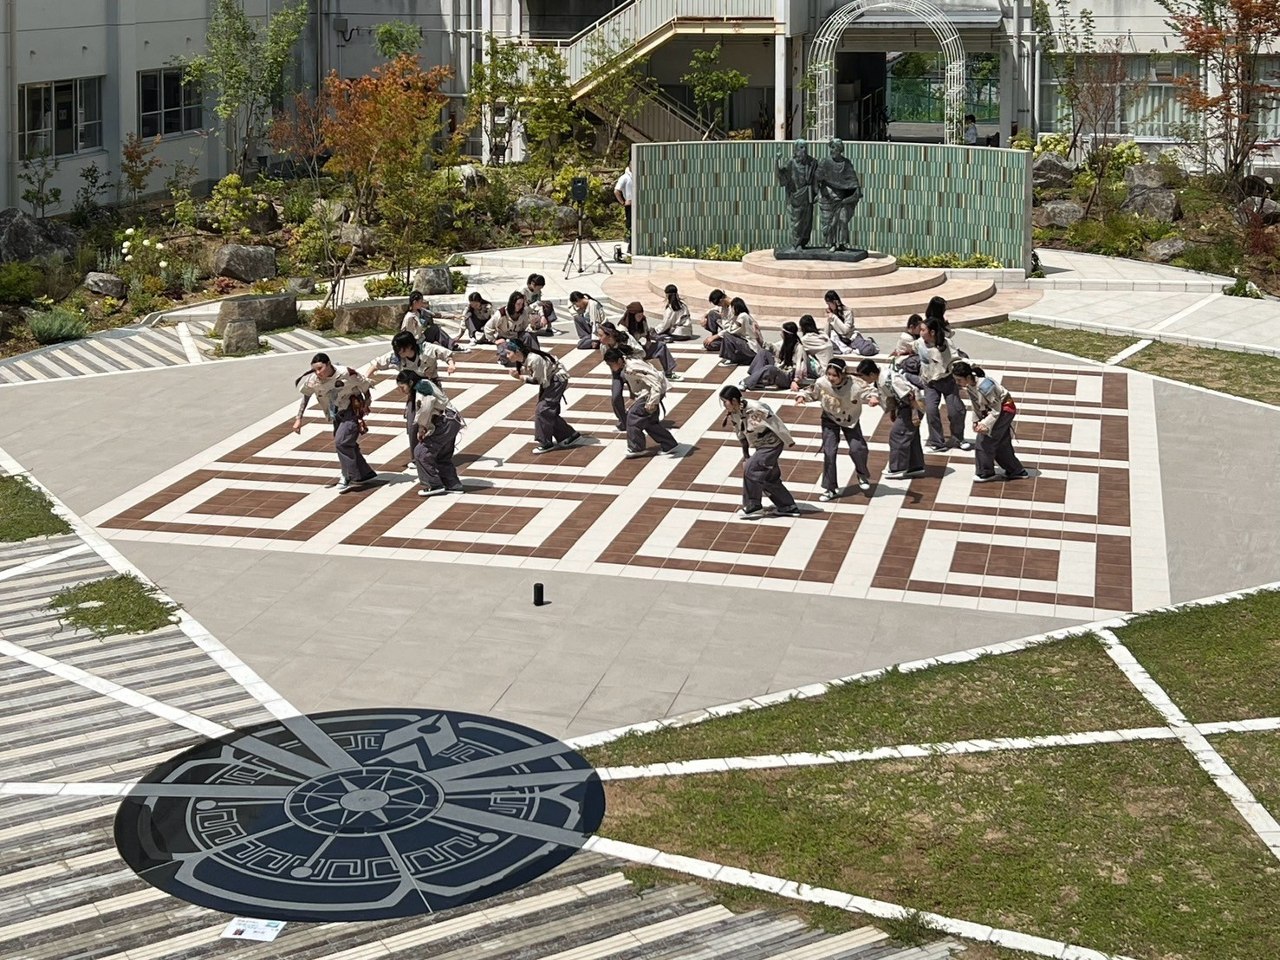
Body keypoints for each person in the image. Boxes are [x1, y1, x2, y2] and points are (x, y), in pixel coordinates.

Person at [293, 353, 378, 494]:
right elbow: (306, 396)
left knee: (341, 442)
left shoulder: (346, 373)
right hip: (335, 415)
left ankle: (348, 476)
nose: (317, 372)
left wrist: (366, 403)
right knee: (348, 445)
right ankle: (363, 474)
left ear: (328, 364)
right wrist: (299, 418)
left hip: (351, 411)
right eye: (315, 370)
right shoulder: (314, 380)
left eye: (320, 368)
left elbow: (364, 385)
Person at [794, 357, 871, 500]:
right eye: (829, 374)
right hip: (829, 418)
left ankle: (862, 474)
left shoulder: (855, 383)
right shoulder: (822, 382)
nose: (831, 378)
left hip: (850, 419)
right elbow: (810, 391)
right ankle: (830, 488)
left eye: (834, 375)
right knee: (829, 452)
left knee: (858, 448)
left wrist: (873, 398)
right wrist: (801, 397)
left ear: (843, 374)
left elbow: (869, 390)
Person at [720, 384, 799, 520]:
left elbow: (775, 422)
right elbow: (741, 434)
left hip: (771, 444)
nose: (724, 405)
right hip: (759, 445)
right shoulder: (734, 413)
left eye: (725, 402)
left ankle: (753, 505)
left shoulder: (756, 408)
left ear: (734, 400)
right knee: (768, 477)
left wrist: (789, 440)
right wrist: (746, 456)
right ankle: (788, 506)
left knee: (751, 469)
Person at [952, 361, 1029, 482]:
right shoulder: (970, 386)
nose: (957, 383)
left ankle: (985, 472)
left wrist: (985, 424)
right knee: (1001, 443)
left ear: (968, 377)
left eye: (959, 380)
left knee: (984, 441)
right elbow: (976, 405)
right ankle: (1016, 470)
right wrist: (976, 420)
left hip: (1004, 411)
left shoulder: (985, 387)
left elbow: (996, 410)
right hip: (995, 412)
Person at [505, 339, 582, 454]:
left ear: (517, 352)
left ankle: (546, 443)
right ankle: (569, 435)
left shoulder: (534, 359)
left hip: (556, 381)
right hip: (550, 381)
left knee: (542, 410)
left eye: (508, 353)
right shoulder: (526, 359)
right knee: (547, 411)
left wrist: (520, 378)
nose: (507, 356)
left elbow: (538, 380)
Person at [853, 358, 926, 479]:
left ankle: (898, 467)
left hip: (913, 406)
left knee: (898, 435)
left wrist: (914, 415)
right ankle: (915, 466)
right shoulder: (881, 378)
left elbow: (910, 395)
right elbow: (892, 396)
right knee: (911, 437)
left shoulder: (889, 379)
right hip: (904, 407)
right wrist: (893, 411)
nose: (863, 379)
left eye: (863, 376)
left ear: (871, 374)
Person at [396, 369, 464, 497]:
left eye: (402, 387)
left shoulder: (422, 388)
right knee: (442, 455)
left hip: (444, 423)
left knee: (421, 452)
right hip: (451, 421)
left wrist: (421, 427)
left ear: (410, 383)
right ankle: (452, 484)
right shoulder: (425, 383)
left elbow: (425, 408)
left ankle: (433, 484)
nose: (402, 390)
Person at [605, 348, 681, 458]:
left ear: (619, 360)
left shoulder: (632, 367)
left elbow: (655, 382)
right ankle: (669, 444)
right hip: (649, 392)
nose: (611, 367)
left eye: (611, 364)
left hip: (650, 393)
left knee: (633, 417)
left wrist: (652, 402)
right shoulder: (628, 364)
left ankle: (636, 447)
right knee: (649, 421)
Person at [913, 315, 971, 452]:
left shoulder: (947, 344)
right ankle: (937, 442)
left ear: (932, 332)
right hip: (930, 383)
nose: (920, 332)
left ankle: (958, 438)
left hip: (947, 381)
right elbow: (913, 351)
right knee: (931, 411)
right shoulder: (919, 343)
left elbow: (955, 359)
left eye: (923, 330)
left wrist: (963, 370)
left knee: (956, 411)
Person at [364, 330, 456, 392]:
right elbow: (377, 364)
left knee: (442, 406)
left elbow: (445, 354)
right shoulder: (396, 357)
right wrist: (365, 378)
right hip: (413, 388)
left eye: (400, 348)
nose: (398, 351)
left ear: (409, 346)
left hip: (432, 384)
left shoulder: (427, 350)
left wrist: (451, 365)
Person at [815, 137, 862, 251]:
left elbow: (853, 181)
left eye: (834, 148)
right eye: (831, 148)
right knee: (831, 223)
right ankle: (832, 244)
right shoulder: (825, 162)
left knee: (843, 220)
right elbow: (817, 178)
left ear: (840, 149)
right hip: (828, 197)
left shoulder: (846, 163)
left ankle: (842, 243)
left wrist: (855, 192)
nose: (832, 150)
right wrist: (818, 192)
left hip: (842, 198)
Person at [621, 301, 682, 380]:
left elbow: (647, 333)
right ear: (632, 315)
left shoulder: (642, 321)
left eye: (641, 315)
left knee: (661, 346)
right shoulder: (623, 329)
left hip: (640, 349)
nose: (640, 317)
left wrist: (648, 341)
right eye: (638, 316)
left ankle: (668, 373)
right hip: (630, 355)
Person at [775, 138, 818, 249]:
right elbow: (782, 175)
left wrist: (817, 193)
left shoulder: (812, 162)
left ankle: (803, 242)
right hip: (795, 197)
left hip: (807, 196)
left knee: (807, 222)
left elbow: (816, 179)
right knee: (796, 222)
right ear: (796, 149)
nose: (804, 150)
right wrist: (776, 161)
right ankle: (796, 243)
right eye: (801, 147)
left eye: (805, 147)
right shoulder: (791, 162)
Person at [743, 321, 808, 392]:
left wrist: (795, 381)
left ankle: (746, 382)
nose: (780, 333)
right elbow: (769, 347)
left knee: (770, 368)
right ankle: (755, 379)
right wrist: (758, 335)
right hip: (780, 368)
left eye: (782, 331)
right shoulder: (784, 343)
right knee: (763, 352)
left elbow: (800, 367)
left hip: (788, 378)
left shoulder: (799, 348)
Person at [598, 322, 637, 432]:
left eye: (601, 335)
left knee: (637, 396)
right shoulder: (603, 347)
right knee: (615, 397)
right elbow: (608, 361)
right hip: (617, 373)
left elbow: (641, 353)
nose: (599, 338)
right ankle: (624, 421)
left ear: (609, 335)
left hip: (632, 370)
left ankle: (640, 419)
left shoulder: (626, 339)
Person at [485, 291, 541, 366]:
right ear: (512, 303)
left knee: (529, 336)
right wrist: (494, 340)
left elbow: (525, 328)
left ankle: (538, 356)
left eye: (522, 304)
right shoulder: (501, 314)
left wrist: (533, 326)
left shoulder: (523, 313)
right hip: (504, 337)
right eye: (518, 304)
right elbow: (488, 327)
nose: (520, 306)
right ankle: (503, 357)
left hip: (517, 336)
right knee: (507, 358)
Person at [717, 296, 760, 367]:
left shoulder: (742, 316)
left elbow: (732, 330)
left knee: (727, 335)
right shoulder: (745, 315)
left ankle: (731, 358)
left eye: (732, 307)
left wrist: (724, 321)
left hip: (751, 346)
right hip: (751, 345)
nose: (731, 310)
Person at [798, 314, 832, 381]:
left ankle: (799, 375)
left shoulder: (806, 339)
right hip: (830, 369)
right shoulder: (823, 334)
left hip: (823, 372)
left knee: (801, 351)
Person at [614, 165, 634, 253]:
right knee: (631, 226)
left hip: (639, 205)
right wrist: (623, 202)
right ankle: (631, 248)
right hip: (630, 205)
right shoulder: (625, 177)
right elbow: (616, 191)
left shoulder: (637, 176)